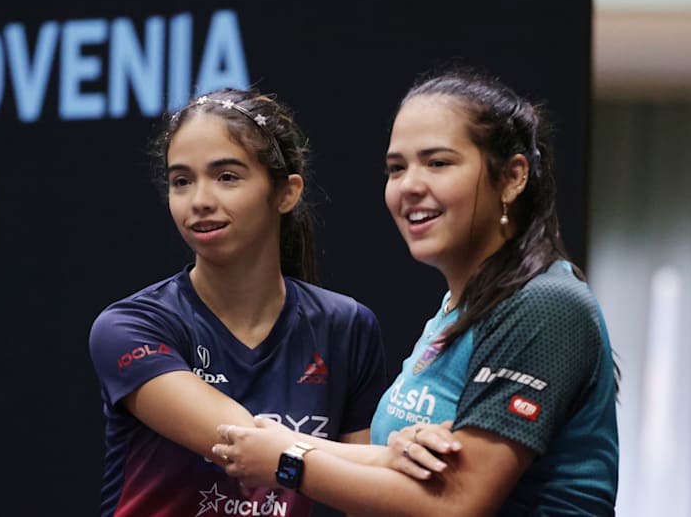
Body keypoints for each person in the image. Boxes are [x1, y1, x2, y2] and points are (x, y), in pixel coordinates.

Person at [212, 66, 620, 516]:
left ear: (512, 177)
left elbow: (458, 502)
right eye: (396, 168)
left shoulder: (544, 303)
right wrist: (288, 443)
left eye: (438, 163)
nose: (409, 186)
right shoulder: (459, 308)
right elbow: (402, 470)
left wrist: (289, 463)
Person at [88, 88, 388, 517]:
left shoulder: (346, 326)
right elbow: (246, 444)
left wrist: (400, 461)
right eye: (181, 181)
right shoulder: (130, 328)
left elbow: (368, 497)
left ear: (286, 193)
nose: (200, 201)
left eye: (226, 176)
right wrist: (396, 459)